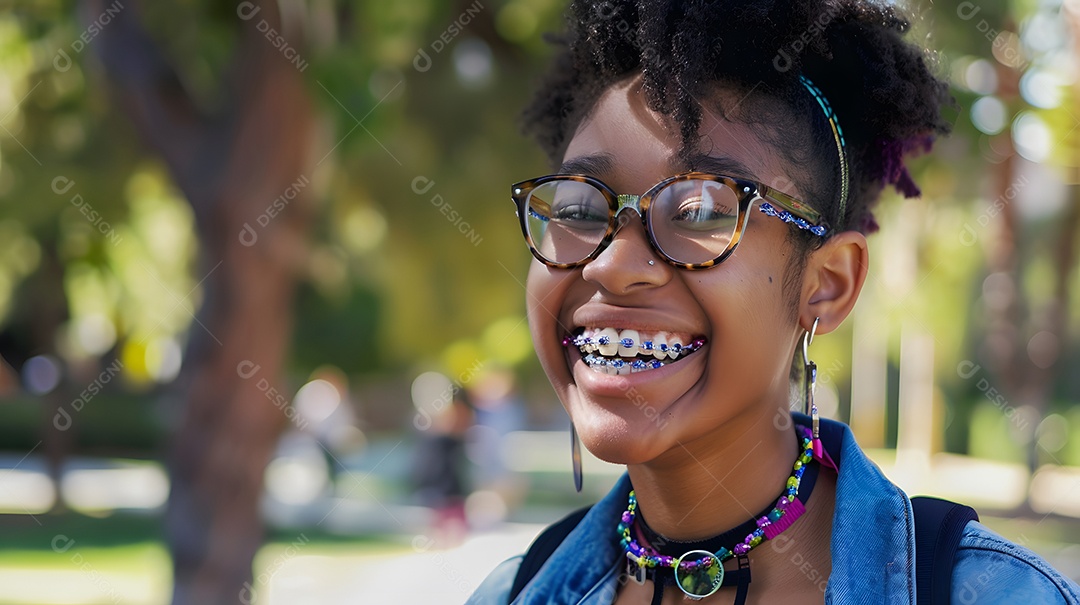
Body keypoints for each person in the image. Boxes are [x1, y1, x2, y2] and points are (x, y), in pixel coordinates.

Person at [469, 0, 1080, 603]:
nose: (612, 264)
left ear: (828, 283)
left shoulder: (996, 594)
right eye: (579, 207)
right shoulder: (514, 590)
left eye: (701, 210)